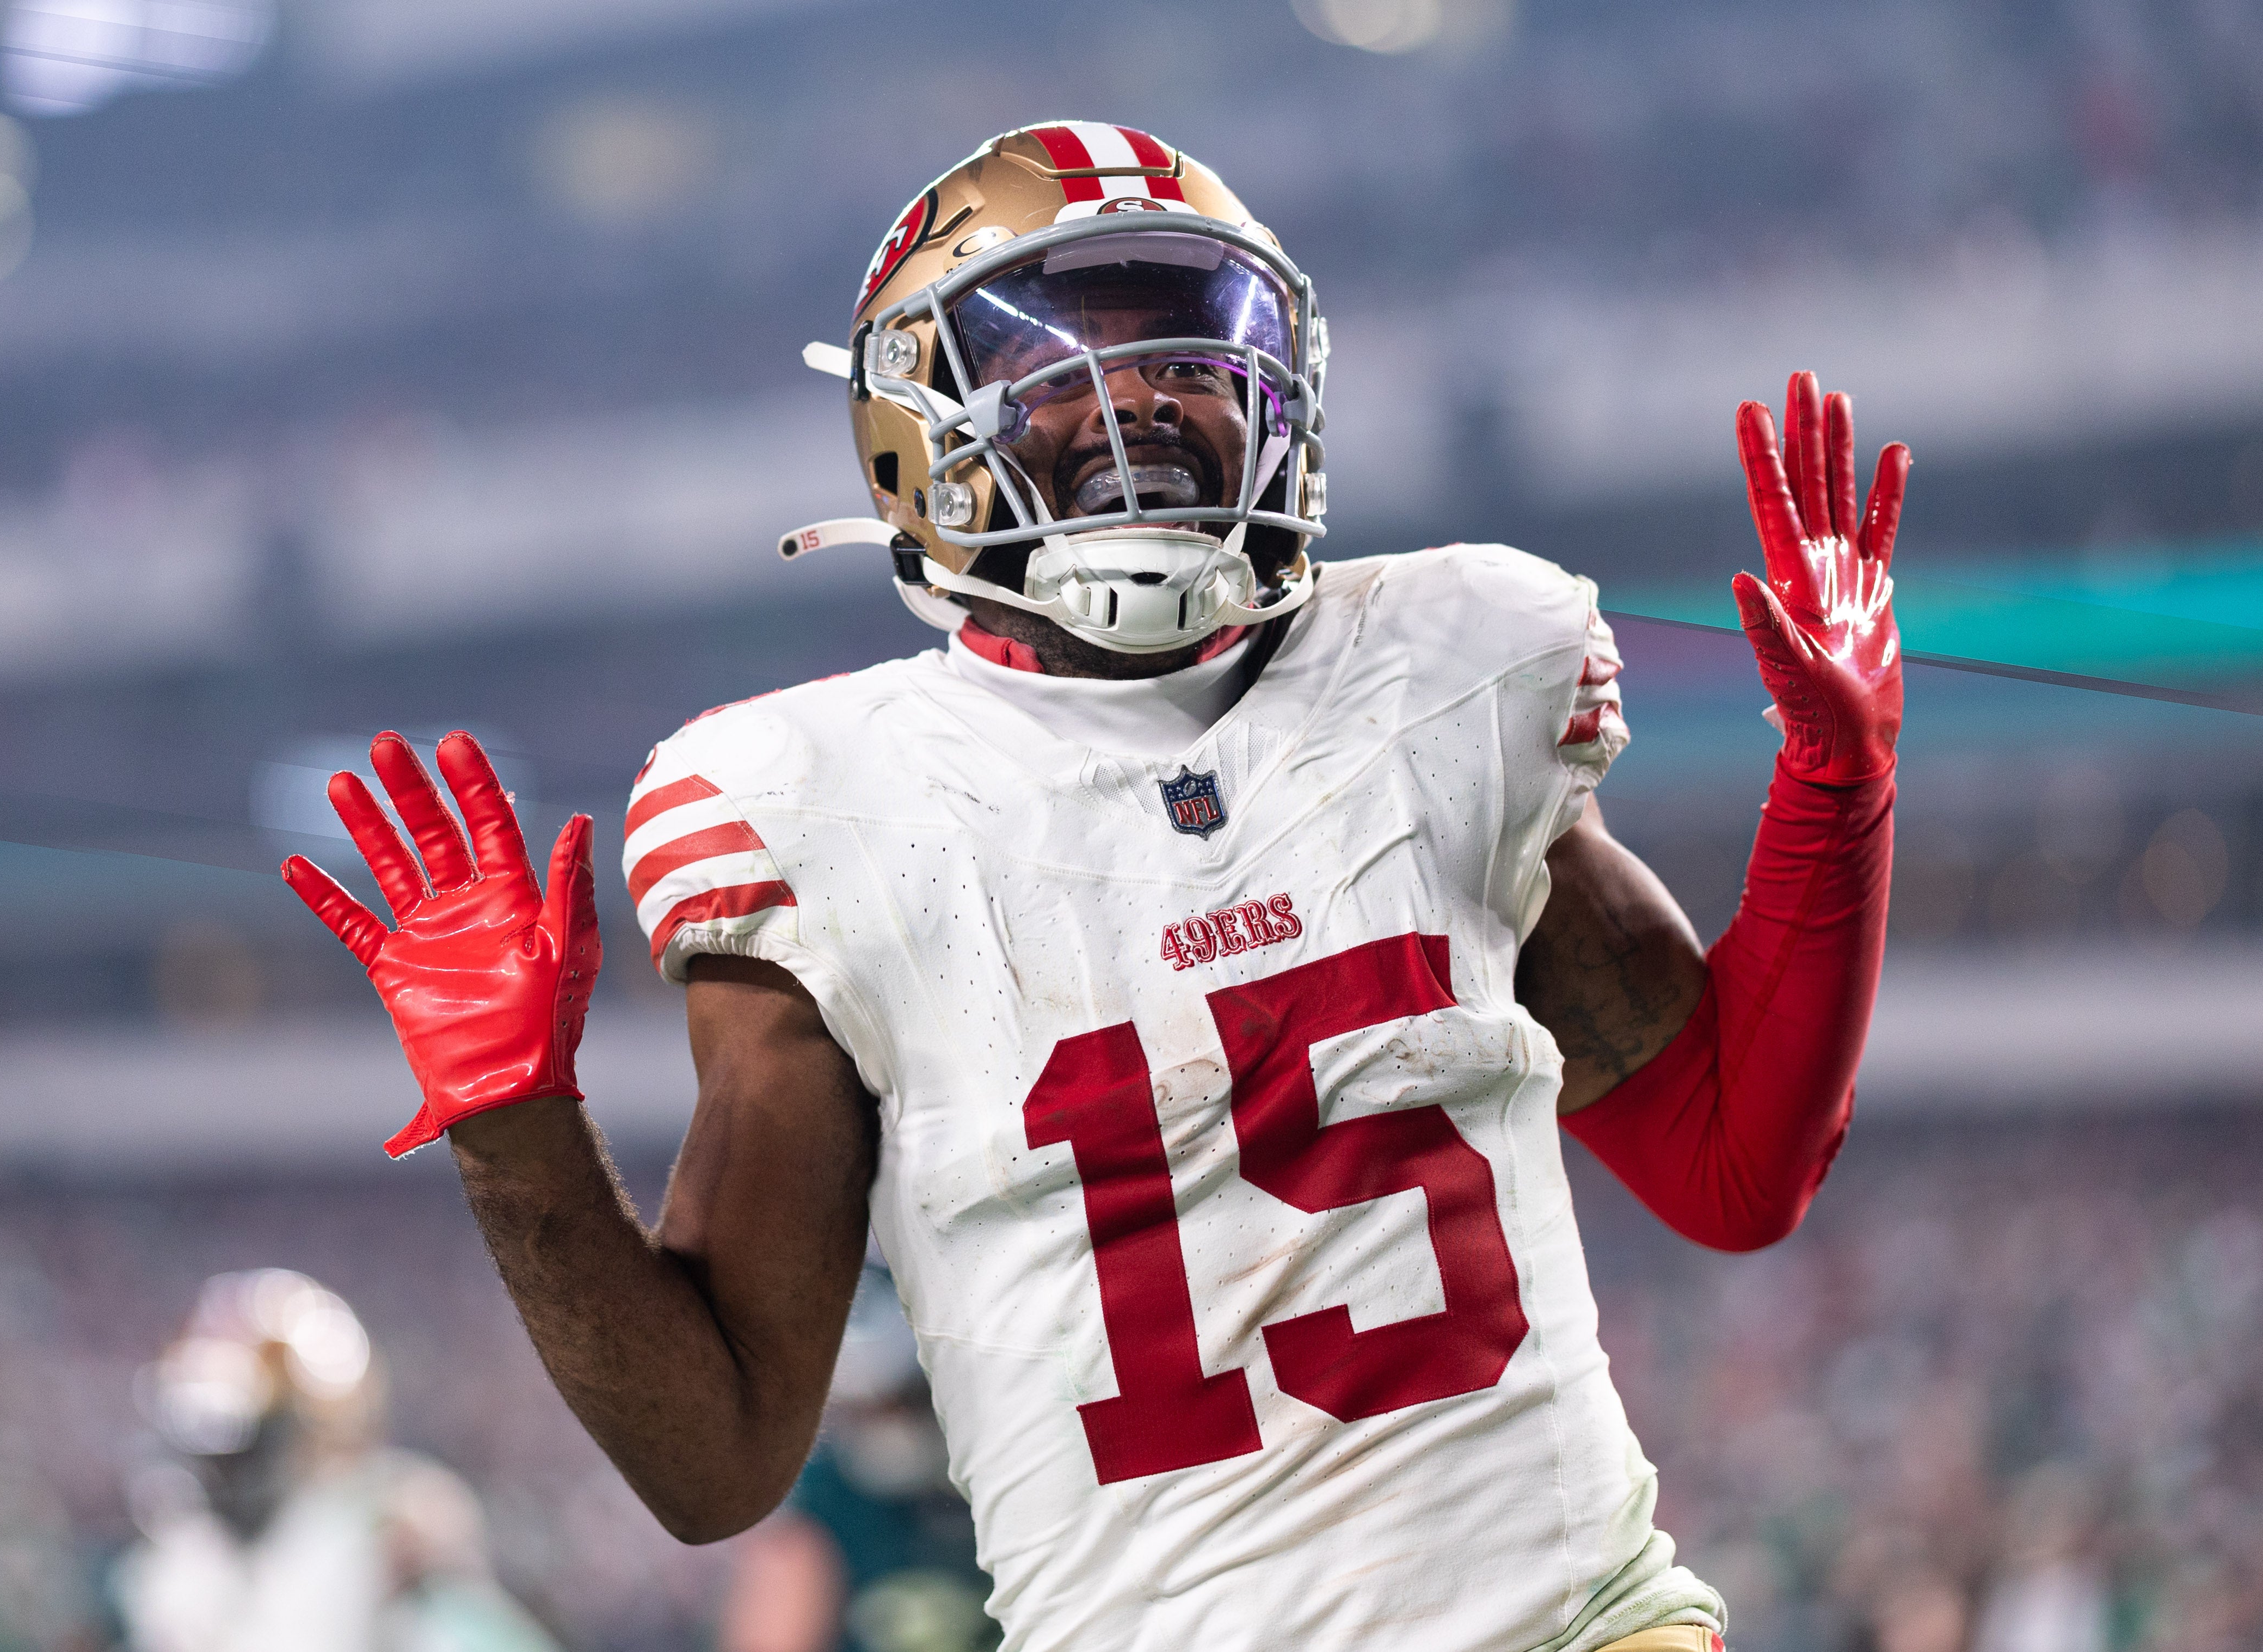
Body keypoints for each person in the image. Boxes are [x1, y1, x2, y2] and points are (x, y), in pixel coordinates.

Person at [283, 124, 1906, 1652]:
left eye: (1181, 350)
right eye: (1049, 361)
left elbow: (1727, 1170)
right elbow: (714, 1470)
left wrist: (1836, 799)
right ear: (919, 421)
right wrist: (513, 1129)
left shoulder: (1439, 674)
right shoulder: (812, 807)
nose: (1130, 400)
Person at [114, 1268, 558, 1652]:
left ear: (314, 1432)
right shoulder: (174, 1565)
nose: (219, 1466)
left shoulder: (384, 1524)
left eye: (247, 1440)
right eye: (203, 1442)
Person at [719, 1266, 997, 1652]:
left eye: (906, 1403)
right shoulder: (814, 1504)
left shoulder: (986, 1466)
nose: (895, 1428)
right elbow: (771, 1639)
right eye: (874, 1409)